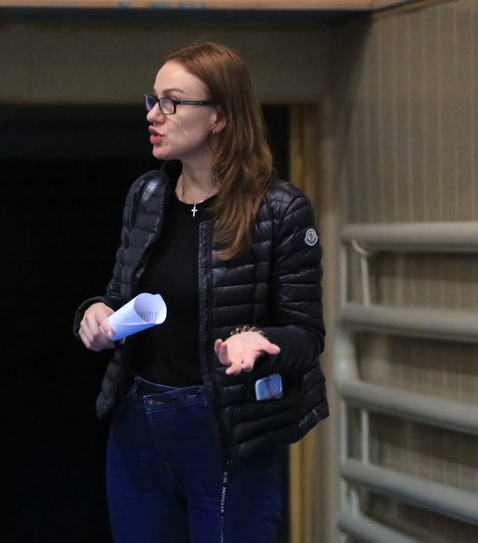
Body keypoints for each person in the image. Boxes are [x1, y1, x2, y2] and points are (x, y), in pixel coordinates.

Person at [75, 41, 328, 542]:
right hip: (138, 422)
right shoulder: (148, 194)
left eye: (172, 102)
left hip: (224, 429)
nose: (154, 114)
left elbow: (306, 335)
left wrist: (261, 341)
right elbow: (118, 293)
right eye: (153, 99)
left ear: (220, 117)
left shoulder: (279, 209)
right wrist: (96, 311)